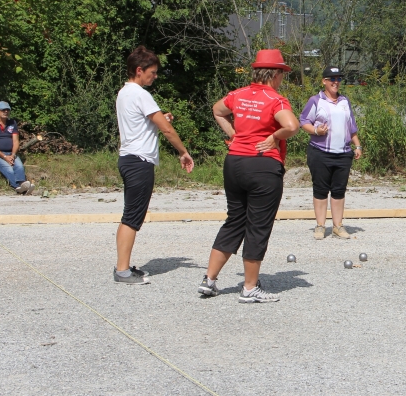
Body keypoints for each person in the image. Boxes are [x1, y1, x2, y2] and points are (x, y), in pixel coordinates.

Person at [197, 49, 300, 303]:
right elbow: (292, 126)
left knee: (234, 220)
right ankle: (250, 287)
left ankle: (209, 280)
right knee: (258, 225)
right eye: (282, 74)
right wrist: (274, 137)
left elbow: (217, 110)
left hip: (234, 163)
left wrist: (234, 134)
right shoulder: (276, 99)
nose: (282, 79)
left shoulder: (238, 94)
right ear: (275, 74)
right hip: (262, 166)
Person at [114, 46, 194, 285]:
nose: (155, 76)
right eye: (152, 72)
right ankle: (122, 271)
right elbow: (167, 130)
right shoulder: (141, 94)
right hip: (139, 161)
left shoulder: (123, 93)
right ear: (139, 70)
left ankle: (124, 266)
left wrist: (161, 118)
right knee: (132, 217)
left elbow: (150, 122)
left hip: (128, 158)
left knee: (130, 214)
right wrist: (183, 152)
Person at [299, 65, 362, 239]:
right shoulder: (316, 100)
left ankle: (338, 225)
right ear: (324, 81)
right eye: (332, 79)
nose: (336, 82)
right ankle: (320, 226)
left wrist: (357, 145)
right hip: (320, 151)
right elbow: (303, 121)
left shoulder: (344, 101)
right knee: (320, 189)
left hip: (342, 153)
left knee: (339, 190)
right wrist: (316, 131)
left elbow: (351, 126)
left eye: (339, 79)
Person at [0, 101, 35, 195]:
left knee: (19, 166)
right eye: (3, 110)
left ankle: (22, 184)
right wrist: (4, 157)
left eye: (7, 110)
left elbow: (15, 141)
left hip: (10, 153)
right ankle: (16, 186)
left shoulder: (12, 123)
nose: (6, 112)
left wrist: (13, 154)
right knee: (8, 168)